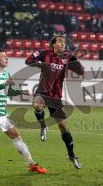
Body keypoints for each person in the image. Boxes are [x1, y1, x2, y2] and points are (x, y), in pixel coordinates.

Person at [0, 49, 47, 175]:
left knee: (16, 136)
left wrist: (22, 92)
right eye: (3, 57)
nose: (7, 58)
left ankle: (31, 164)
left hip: (1, 112)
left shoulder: (6, 74)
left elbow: (8, 92)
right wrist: (3, 84)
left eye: (7, 56)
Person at [25, 34, 84, 169]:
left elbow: (80, 71)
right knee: (38, 104)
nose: (63, 44)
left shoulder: (67, 57)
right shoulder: (44, 53)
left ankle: (71, 155)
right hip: (43, 91)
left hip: (56, 97)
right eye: (60, 42)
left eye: (64, 42)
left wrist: (76, 61)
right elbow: (28, 60)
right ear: (53, 44)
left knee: (63, 126)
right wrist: (40, 63)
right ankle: (43, 125)